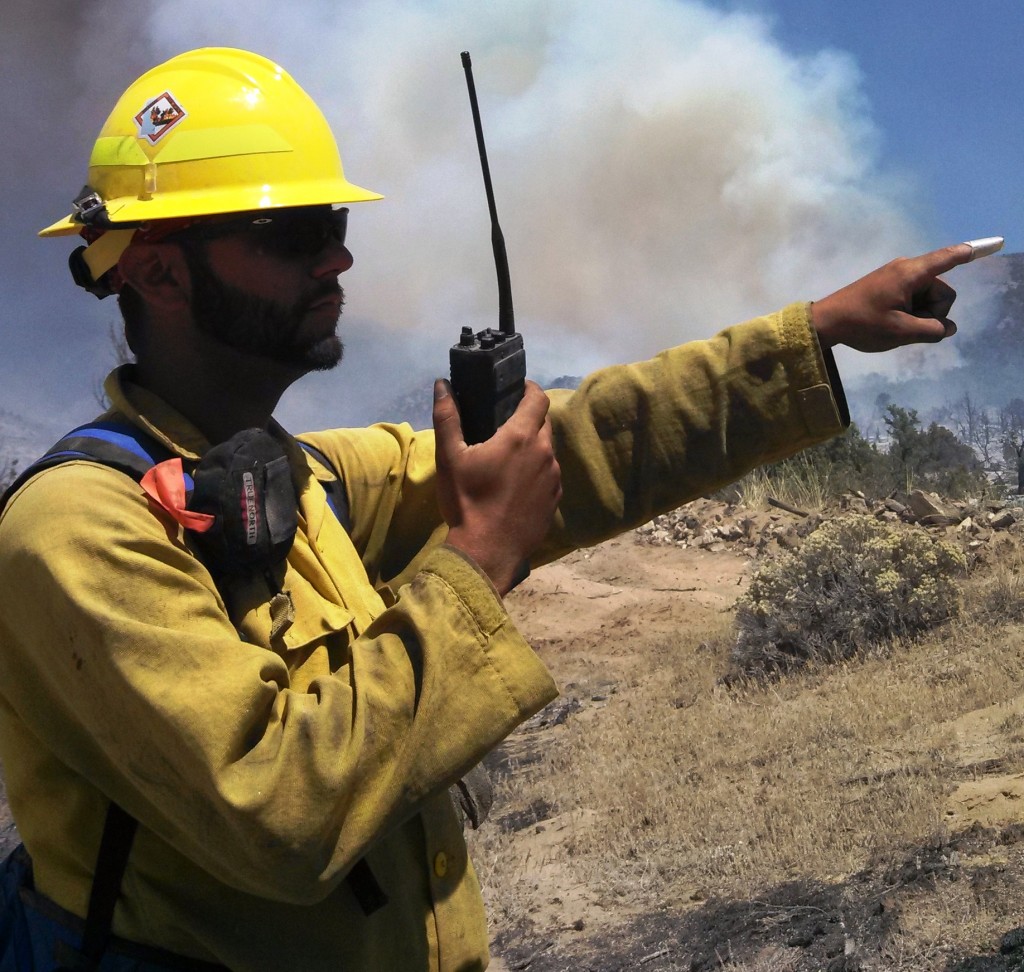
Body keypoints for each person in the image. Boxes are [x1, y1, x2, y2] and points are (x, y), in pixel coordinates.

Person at [0, 46, 981, 972]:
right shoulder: (79, 533)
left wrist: (813, 337)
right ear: (161, 272)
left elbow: (591, 441)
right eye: (293, 234)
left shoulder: (307, 480)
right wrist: (473, 560)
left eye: (335, 228)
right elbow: (279, 813)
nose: (336, 264)